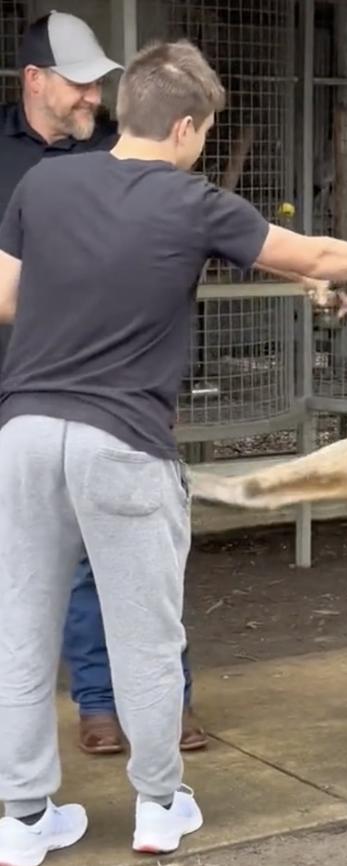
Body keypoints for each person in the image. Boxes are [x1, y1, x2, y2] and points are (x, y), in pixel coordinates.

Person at [0, 37, 347, 863]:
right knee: (145, 634)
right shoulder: (191, 200)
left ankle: (21, 819)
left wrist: (85, 298)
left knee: (20, 628)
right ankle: (159, 807)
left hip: (20, 433)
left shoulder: (45, 182)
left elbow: (7, 298)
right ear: (189, 129)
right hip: (121, 440)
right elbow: (314, 255)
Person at [0, 9, 207, 756]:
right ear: (35, 80)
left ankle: (154, 703)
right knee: (33, 584)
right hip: (23, 393)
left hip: (119, 395)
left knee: (131, 559)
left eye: (99, 85)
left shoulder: (118, 158)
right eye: (81, 84)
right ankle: (98, 703)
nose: (94, 98)